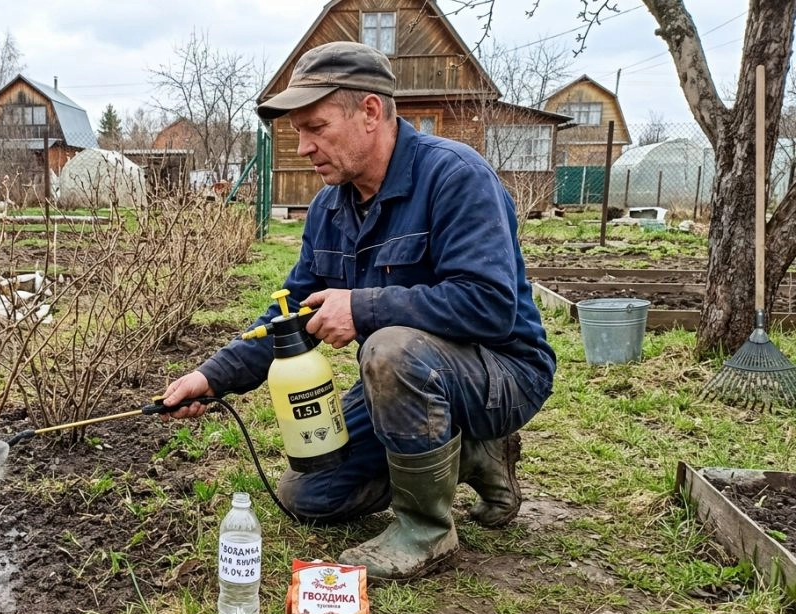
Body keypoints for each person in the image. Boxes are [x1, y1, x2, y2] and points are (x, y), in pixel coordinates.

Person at [161, 41, 555, 580]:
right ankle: (473, 457)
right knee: (308, 493)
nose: (302, 147)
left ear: (370, 112)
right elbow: (291, 311)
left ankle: (426, 531)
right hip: (406, 382)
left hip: (501, 375)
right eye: (297, 131)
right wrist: (211, 377)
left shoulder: (456, 177)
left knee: (388, 346)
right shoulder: (329, 207)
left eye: (315, 127)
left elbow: (489, 306)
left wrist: (364, 308)